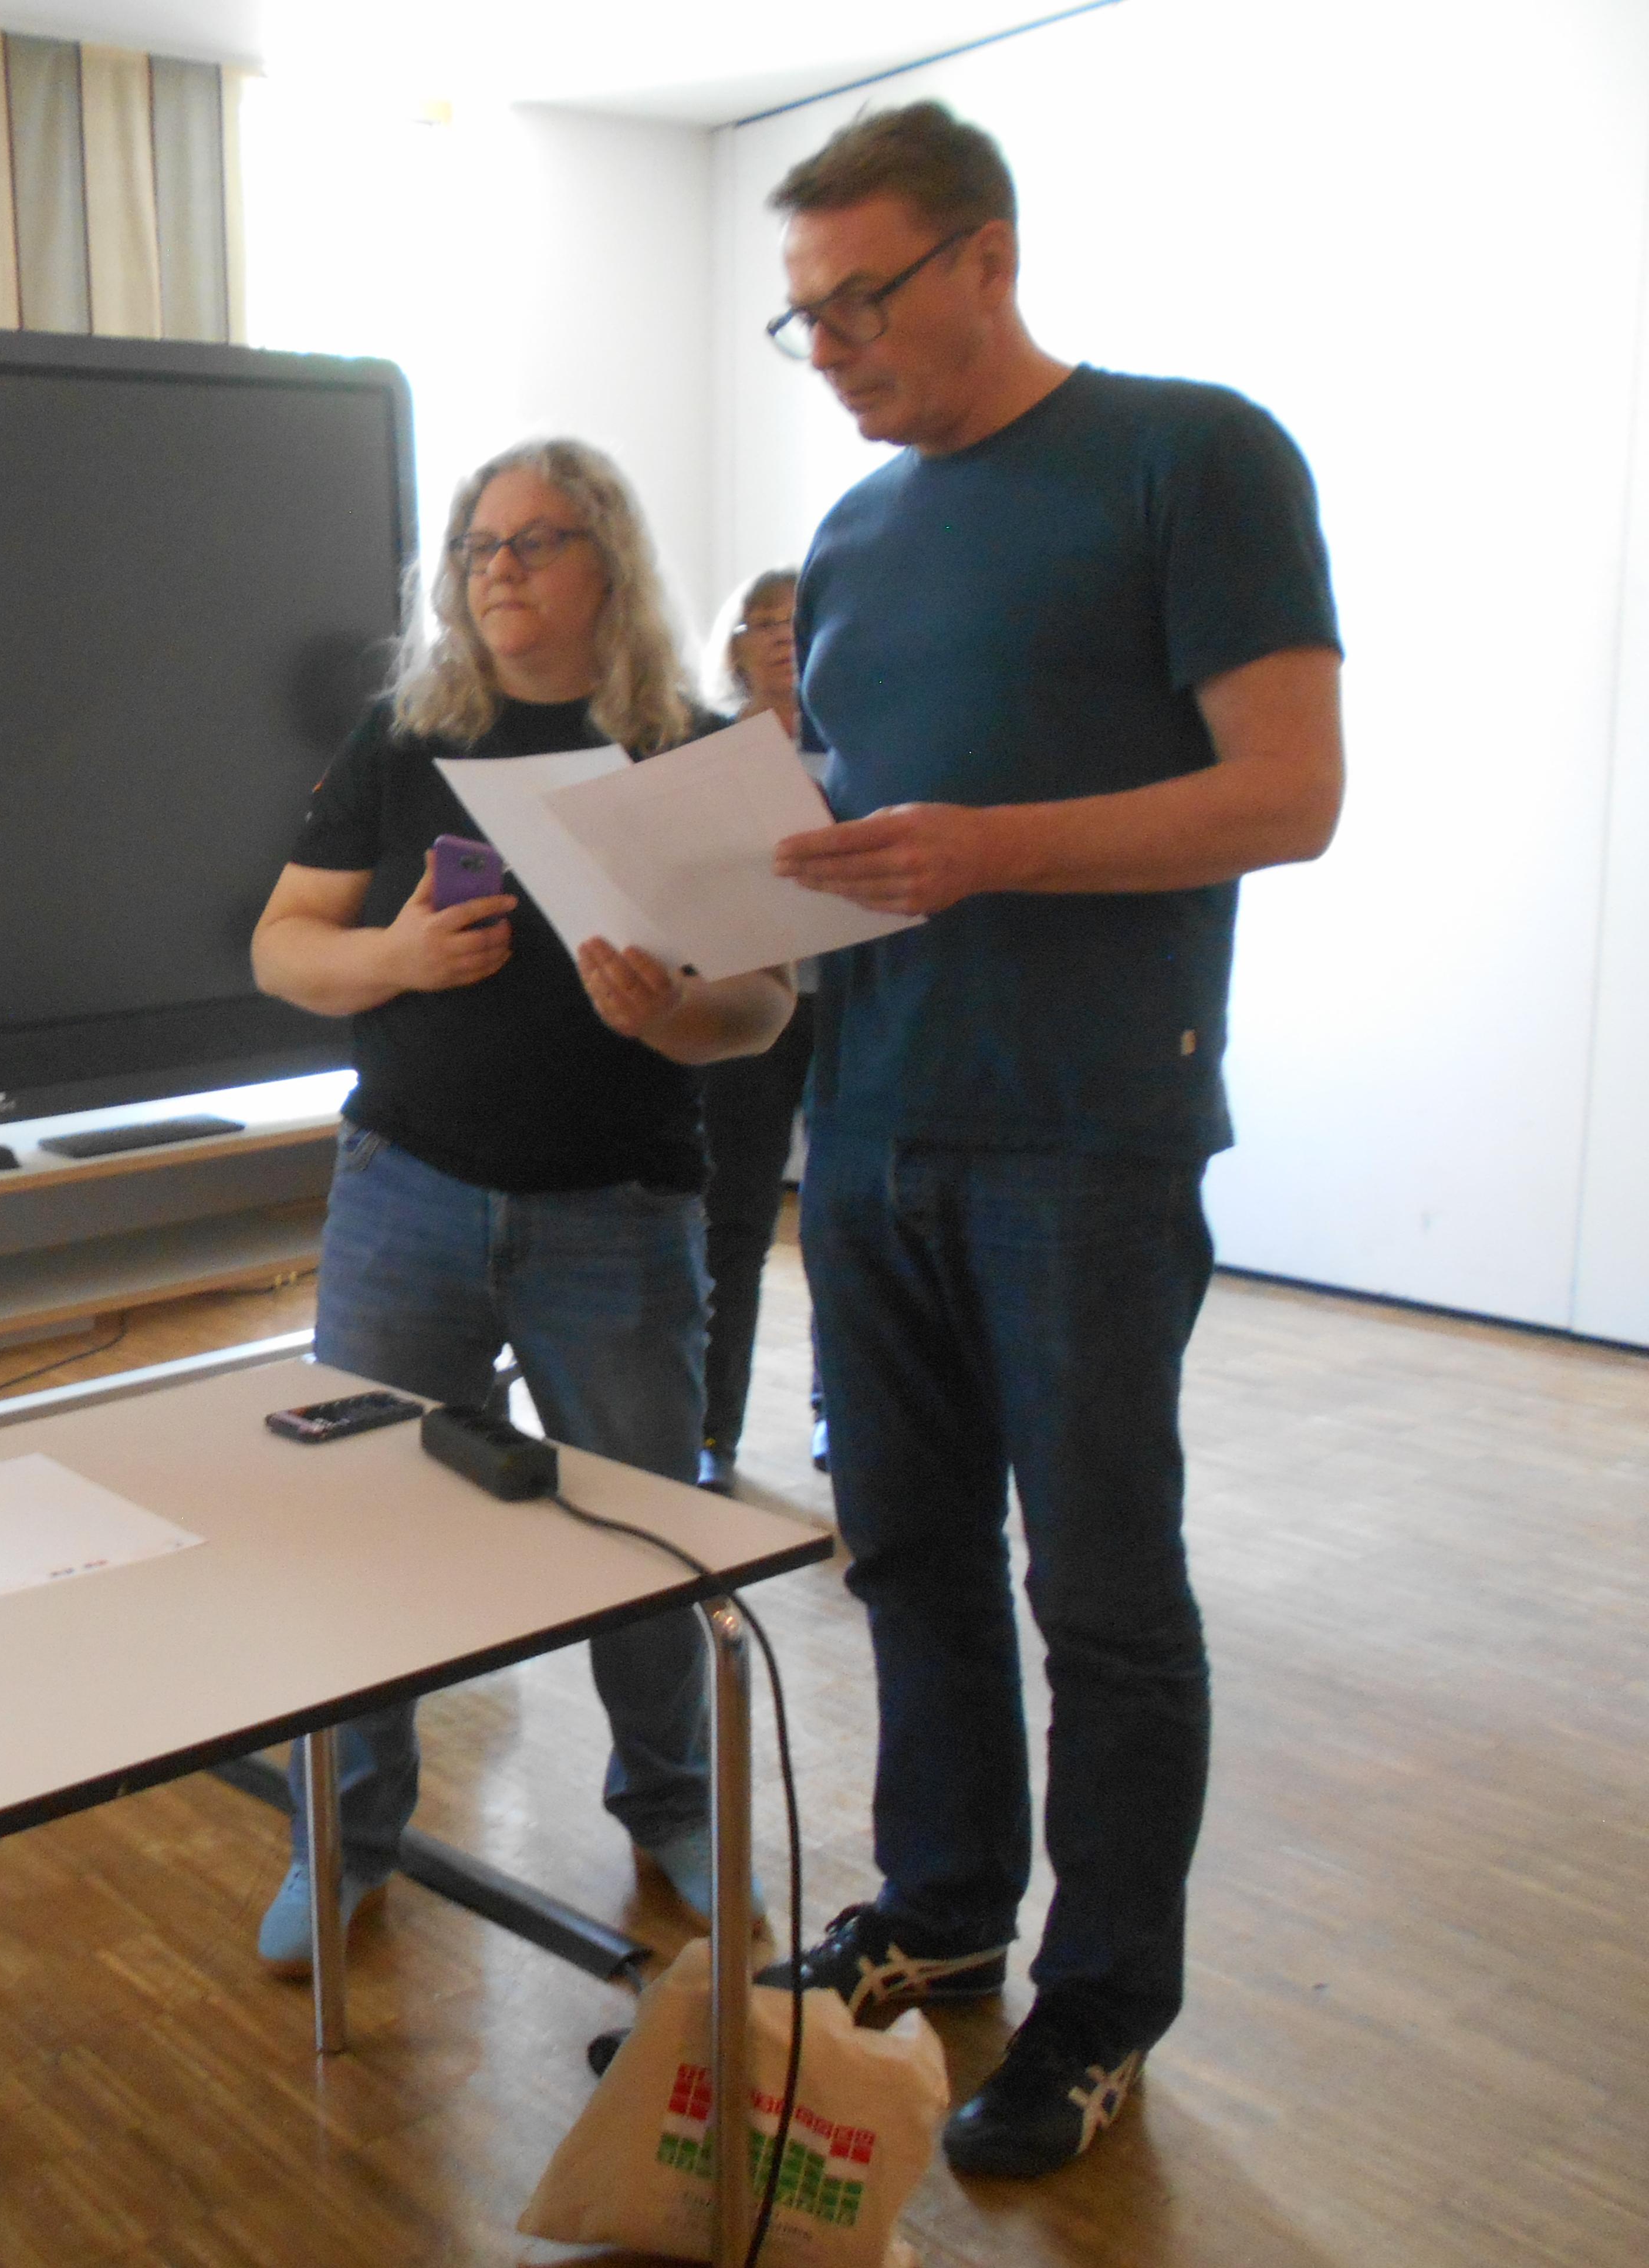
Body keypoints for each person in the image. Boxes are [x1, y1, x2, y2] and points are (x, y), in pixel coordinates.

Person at [753, 103, 1343, 2178]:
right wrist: (707, 936)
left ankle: (1101, 2007)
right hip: (868, 1118)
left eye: (859, 301)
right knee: (906, 1556)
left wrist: (995, 848)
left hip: (1081, 1137)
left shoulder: (1194, 455)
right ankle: (941, 1908)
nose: (830, 348)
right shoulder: (853, 538)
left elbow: (1288, 795)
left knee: (1098, 1592)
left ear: (987, 259)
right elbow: (854, 852)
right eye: (801, 317)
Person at [246, 437, 795, 1969]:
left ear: (608, 565)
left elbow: (760, 1007)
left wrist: (673, 1013)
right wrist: (397, 960)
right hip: (406, 1194)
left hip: (618, 1214)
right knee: (364, 1526)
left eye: (536, 541)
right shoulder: (403, 736)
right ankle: (345, 1837)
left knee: (646, 1539)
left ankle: (674, 1808)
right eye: (477, 546)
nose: (497, 569)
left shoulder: (689, 753)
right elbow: (282, 948)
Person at [692, 569, 824, 1492]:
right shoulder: (706, 753)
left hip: (850, 1000)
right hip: (744, 998)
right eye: (762, 623)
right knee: (733, 1217)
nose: (781, 637)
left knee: (846, 1217)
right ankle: (712, 1430)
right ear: (735, 644)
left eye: (796, 621)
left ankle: (839, 1410)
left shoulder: (864, 742)